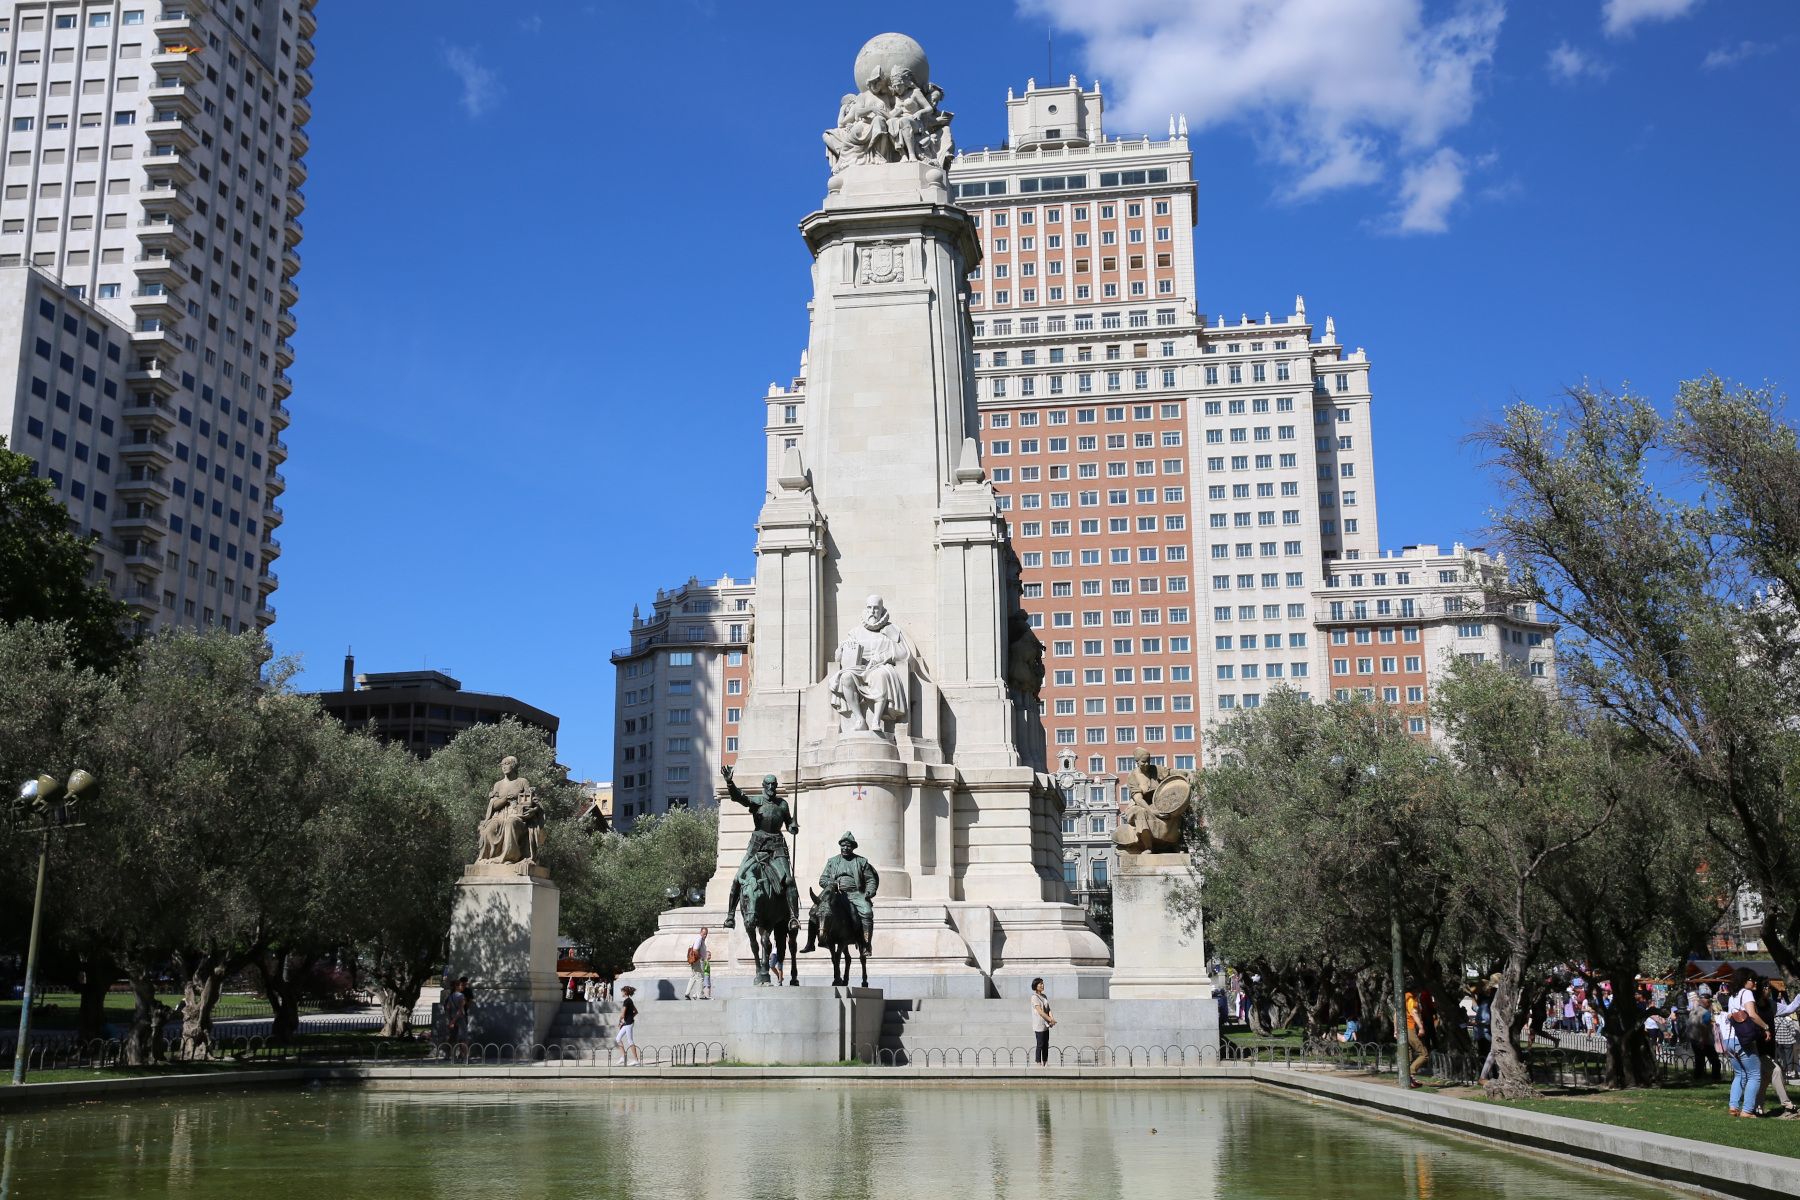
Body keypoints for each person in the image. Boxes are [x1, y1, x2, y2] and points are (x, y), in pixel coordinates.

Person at [1723, 967, 1769, 1117]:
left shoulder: (1732, 996)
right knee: (1755, 1074)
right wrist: (1766, 1027)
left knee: (1739, 1074)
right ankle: (1747, 1110)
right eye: (1752, 979)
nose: (1754, 982)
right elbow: (1752, 1015)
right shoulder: (1746, 993)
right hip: (1743, 1039)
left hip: (1729, 1039)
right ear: (1744, 980)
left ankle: (1733, 1107)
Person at [1690, 984, 1721, 1081]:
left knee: (1699, 1060)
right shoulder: (1706, 1013)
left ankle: (1697, 1078)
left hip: (1694, 1040)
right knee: (1715, 1061)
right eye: (1708, 1000)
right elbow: (1704, 1028)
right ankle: (1716, 1078)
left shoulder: (1693, 1011)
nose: (1709, 1002)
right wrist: (1703, 1041)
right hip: (1704, 1041)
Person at [1405, 987, 1429, 1088]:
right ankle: (1410, 1072)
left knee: (1408, 1056)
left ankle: (1409, 1080)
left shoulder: (1402, 998)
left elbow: (1396, 1014)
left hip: (1404, 1029)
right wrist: (1421, 1027)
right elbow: (1414, 1014)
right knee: (1424, 1054)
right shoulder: (1410, 999)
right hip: (1410, 1028)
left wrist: (1396, 1030)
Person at [1031, 978, 1056, 1065]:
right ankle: (1038, 1063)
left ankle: (1045, 1062)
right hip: (1039, 1024)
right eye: (1040, 984)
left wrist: (1051, 1019)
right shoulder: (1034, 997)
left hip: (1046, 1024)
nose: (1042, 985)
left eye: (1042, 983)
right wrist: (1050, 1019)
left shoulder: (1044, 996)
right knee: (1040, 1044)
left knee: (1046, 1044)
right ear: (1035, 986)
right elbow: (1040, 1012)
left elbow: (1048, 1009)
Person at [615, 986, 642, 1066]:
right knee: (618, 1038)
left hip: (628, 1023)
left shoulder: (627, 1001)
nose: (622, 993)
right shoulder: (629, 1000)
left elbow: (623, 1014)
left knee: (630, 1041)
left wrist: (620, 1021)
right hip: (627, 1022)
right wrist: (630, 1017)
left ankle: (636, 1061)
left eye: (622, 991)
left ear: (625, 992)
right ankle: (623, 1057)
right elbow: (636, 1012)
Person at [685, 928, 710, 1001]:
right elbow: (695, 949)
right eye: (704, 933)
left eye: (706, 934)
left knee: (693, 977)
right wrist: (699, 958)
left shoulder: (700, 939)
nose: (705, 935)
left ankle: (687, 993)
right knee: (700, 978)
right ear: (700, 932)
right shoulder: (699, 939)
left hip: (695, 961)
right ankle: (700, 995)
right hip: (698, 961)